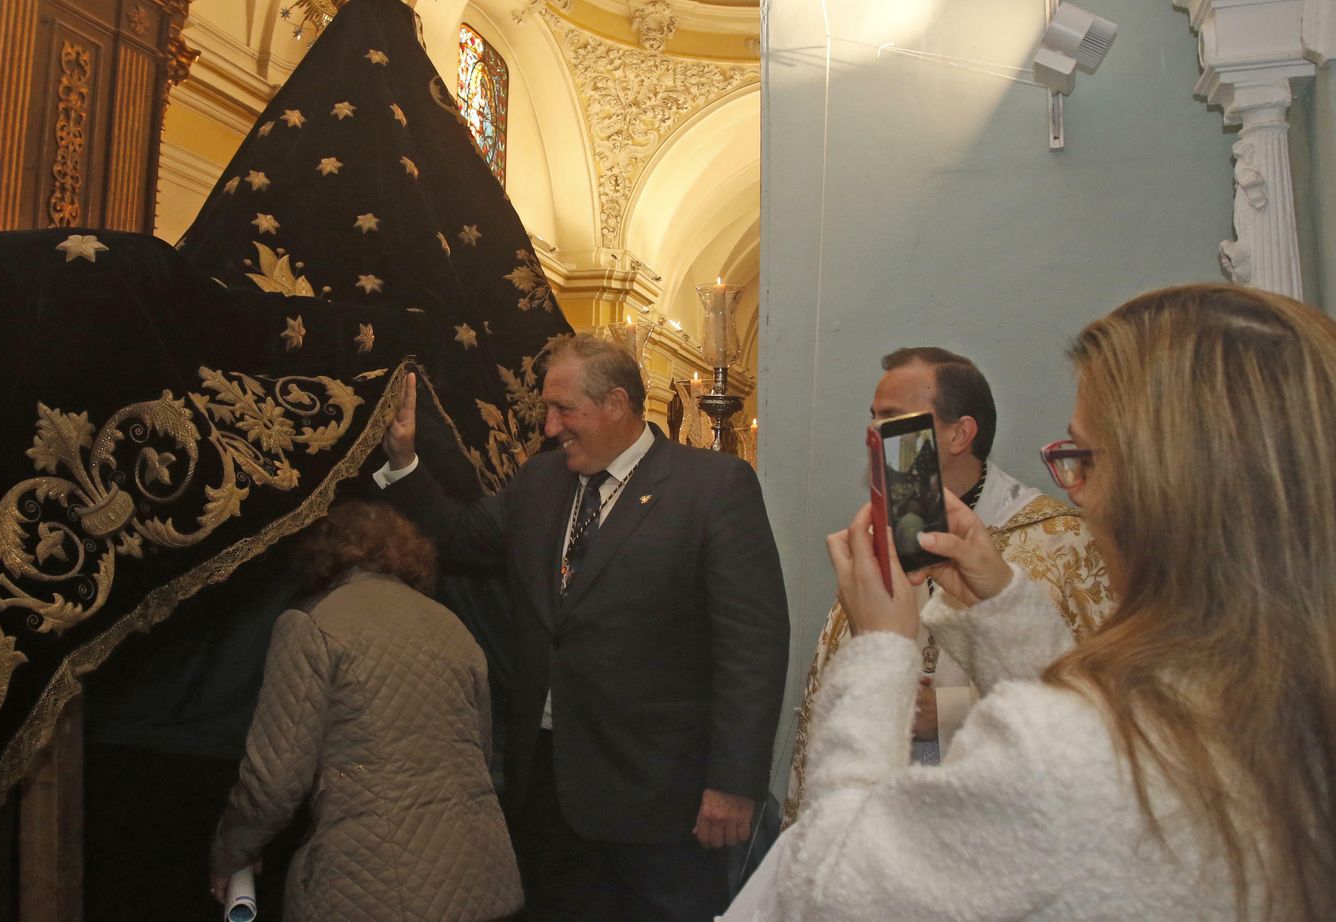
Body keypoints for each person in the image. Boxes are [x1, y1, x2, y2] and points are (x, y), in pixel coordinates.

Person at [730, 284, 1336, 921]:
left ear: (1163, 486)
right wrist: (1002, 611)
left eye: (1083, 458)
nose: (1077, 493)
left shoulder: (1090, 744)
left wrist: (882, 652)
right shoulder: (1283, 689)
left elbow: (828, 888)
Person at [376, 335, 790, 922]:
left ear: (617, 403)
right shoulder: (541, 483)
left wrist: (734, 783)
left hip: (661, 799)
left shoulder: (713, 488)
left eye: (563, 409)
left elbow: (753, 645)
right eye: (548, 410)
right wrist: (404, 463)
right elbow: (463, 539)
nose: (549, 427)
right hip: (548, 787)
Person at [782, 347, 1113, 822]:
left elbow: (1096, 710)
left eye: (893, 421)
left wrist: (950, 712)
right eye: (873, 419)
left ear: (959, 434)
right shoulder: (881, 537)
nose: (874, 436)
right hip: (882, 804)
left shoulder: (1059, 542)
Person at [209, 500, 524, 922]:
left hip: (372, 890)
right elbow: (479, 755)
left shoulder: (312, 625)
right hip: (485, 882)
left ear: (322, 554)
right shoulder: (453, 627)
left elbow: (274, 781)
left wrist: (231, 853)